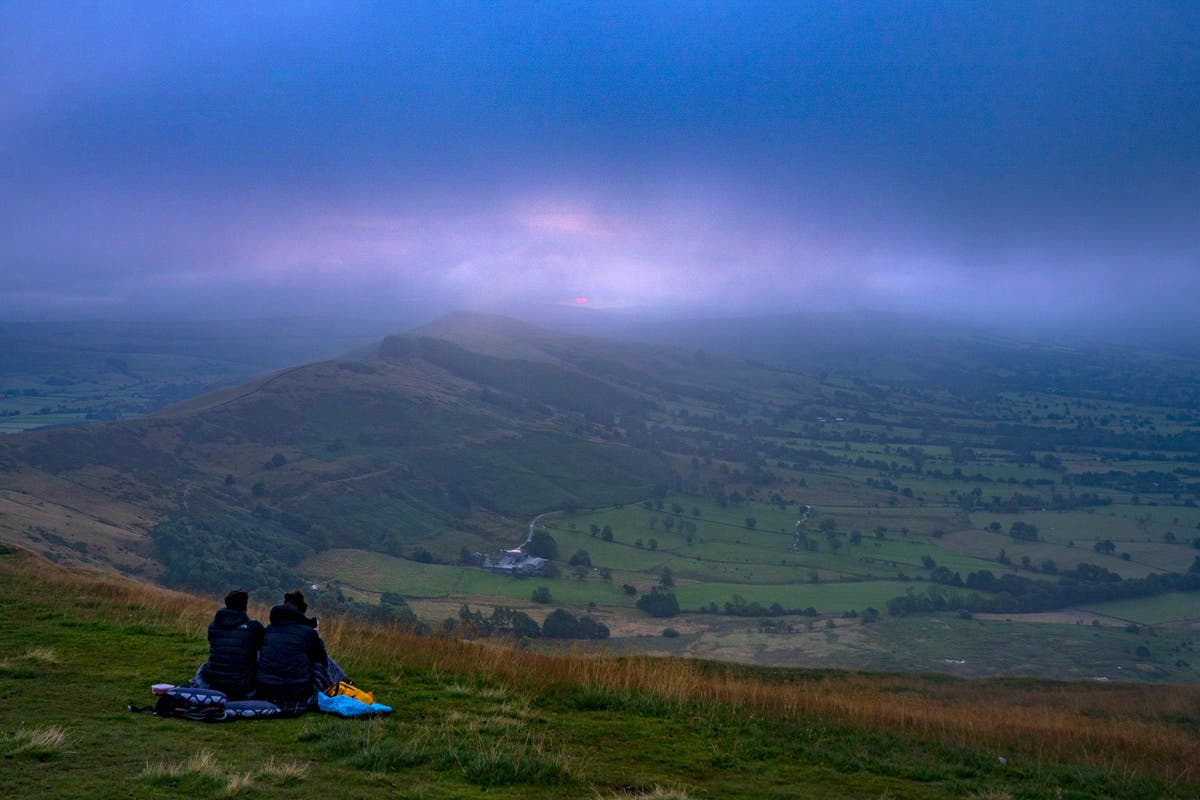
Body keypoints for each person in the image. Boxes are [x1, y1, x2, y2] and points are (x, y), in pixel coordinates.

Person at [255, 590, 339, 706]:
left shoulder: (269, 629)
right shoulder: (308, 633)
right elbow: (321, 658)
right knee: (324, 662)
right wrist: (316, 635)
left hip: (265, 690)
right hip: (296, 692)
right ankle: (344, 683)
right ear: (301, 612)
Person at [195, 588, 264, 700]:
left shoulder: (213, 625)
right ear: (245, 605)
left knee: (205, 665)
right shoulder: (254, 627)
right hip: (242, 686)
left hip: (214, 683)